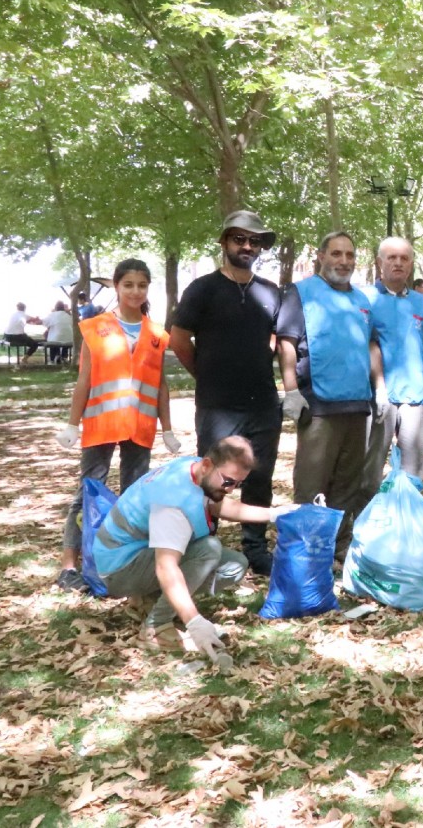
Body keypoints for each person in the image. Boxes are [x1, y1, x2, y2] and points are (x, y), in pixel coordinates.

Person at [92, 436, 297, 659]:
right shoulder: (173, 503)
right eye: (228, 482)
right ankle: (155, 628)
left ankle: (147, 600)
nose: (231, 490)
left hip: (134, 554)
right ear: (208, 465)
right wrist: (194, 621)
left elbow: (220, 505)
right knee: (208, 549)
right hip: (118, 567)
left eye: (238, 484)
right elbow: (166, 567)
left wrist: (276, 514)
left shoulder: (196, 469)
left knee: (235, 565)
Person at [54, 259, 178, 592]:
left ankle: (124, 562)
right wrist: (71, 423)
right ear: (116, 286)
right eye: (128, 285)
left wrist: (167, 427)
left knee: (135, 495)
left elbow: (161, 384)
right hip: (101, 424)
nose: (135, 291)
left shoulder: (156, 334)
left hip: (140, 427)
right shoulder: (95, 327)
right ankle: (69, 566)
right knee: (87, 493)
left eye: (141, 285)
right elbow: (85, 380)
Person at [170, 210, 284, 574]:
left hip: (264, 402)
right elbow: (178, 339)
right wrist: (204, 374)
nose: (247, 246)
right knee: (213, 477)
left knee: (260, 475)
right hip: (217, 406)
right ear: (224, 242)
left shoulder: (270, 292)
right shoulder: (202, 288)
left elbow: (277, 340)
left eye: (254, 241)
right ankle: (207, 547)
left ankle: (255, 548)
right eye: (239, 239)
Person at [277, 231, 383, 555]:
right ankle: (304, 551)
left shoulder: (362, 300)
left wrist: (378, 387)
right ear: (321, 257)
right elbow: (286, 343)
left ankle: (337, 546)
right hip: (319, 406)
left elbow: (371, 344)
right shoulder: (301, 293)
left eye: (350, 255)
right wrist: (291, 392)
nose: (344, 261)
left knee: (348, 484)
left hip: (357, 404)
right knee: (312, 483)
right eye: (336, 254)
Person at [363, 236, 423, 487]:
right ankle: (365, 521)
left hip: (416, 395)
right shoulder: (364, 299)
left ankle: (407, 522)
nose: (398, 263)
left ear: (411, 264)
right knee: (370, 467)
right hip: (378, 396)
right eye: (391, 258)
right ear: (380, 262)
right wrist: (379, 388)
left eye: (404, 258)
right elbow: (368, 345)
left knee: (412, 472)